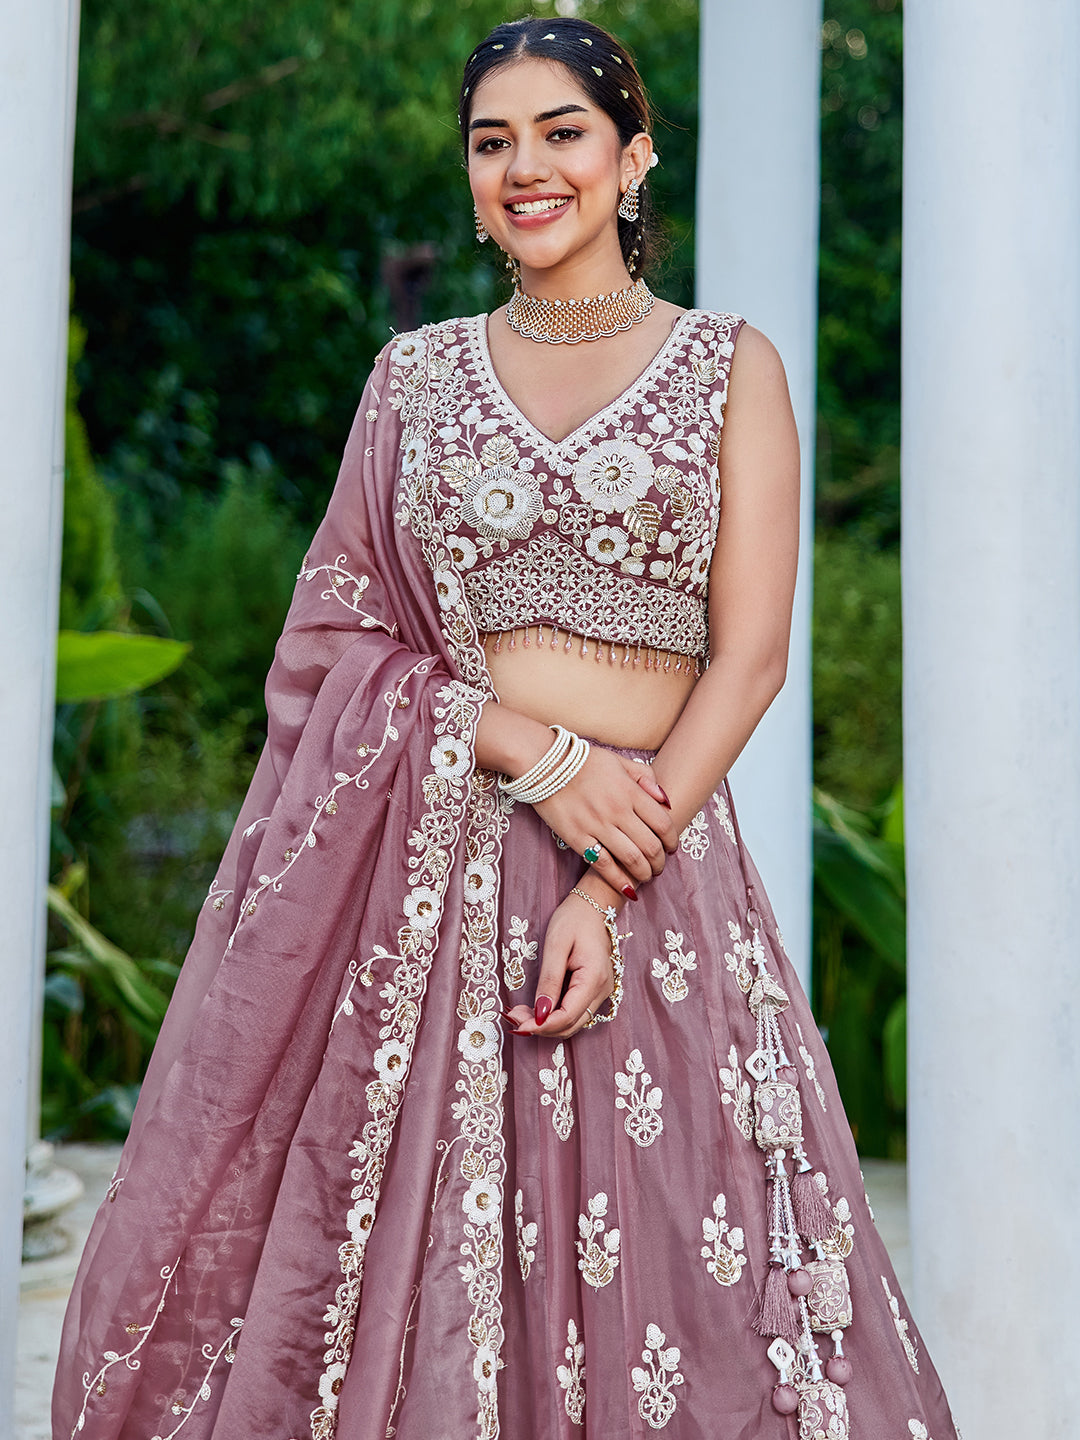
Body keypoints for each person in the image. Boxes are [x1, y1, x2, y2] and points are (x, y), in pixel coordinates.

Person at [52, 16, 958, 1440]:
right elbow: (335, 640)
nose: (525, 169)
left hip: (650, 881)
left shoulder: (731, 369)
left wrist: (608, 874)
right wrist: (534, 755)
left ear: (633, 156)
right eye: (492, 142)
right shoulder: (411, 380)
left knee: (684, 1284)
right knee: (428, 1270)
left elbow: (753, 655)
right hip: (431, 887)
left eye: (562, 133)